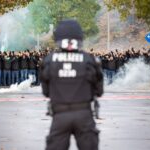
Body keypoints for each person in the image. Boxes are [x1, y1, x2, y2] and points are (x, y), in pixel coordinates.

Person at [40, 20, 103, 150]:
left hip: (59, 116)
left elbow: (46, 92)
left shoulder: (49, 60)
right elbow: (99, 90)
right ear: (80, 37)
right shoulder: (89, 60)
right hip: (84, 115)